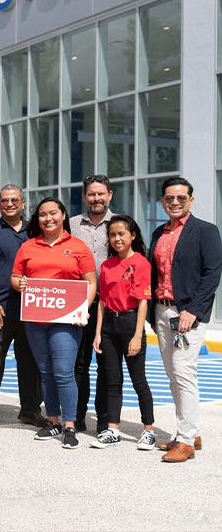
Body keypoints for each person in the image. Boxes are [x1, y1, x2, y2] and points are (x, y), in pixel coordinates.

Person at [11, 197, 96, 449]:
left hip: (67, 320)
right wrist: (21, 284)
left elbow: (91, 283)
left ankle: (70, 426)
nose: (48, 218)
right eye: (42, 214)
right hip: (36, 319)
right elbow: (15, 278)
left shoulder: (78, 246)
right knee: (46, 373)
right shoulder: (28, 246)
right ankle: (53, 421)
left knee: (63, 372)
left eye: (53, 213)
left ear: (63, 215)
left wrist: (83, 309)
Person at [149, 177, 222, 462]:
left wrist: (193, 310)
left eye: (181, 198)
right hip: (162, 311)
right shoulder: (158, 232)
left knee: (183, 372)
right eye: (169, 198)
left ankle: (187, 441)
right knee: (173, 375)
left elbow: (212, 274)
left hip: (188, 313)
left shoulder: (205, 231)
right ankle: (187, 431)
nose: (175, 202)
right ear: (162, 201)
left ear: (191, 200)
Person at [0, 184, 46, 430]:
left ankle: (30, 411)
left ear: (23, 203)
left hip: (31, 309)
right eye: (5, 200)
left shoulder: (35, 232)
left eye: (14, 200)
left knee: (30, 362)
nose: (10, 204)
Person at [91, 215, 155, 450]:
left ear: (132, 236)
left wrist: (138, 335)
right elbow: (101, 303)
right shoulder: (106, 265)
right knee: (112, 381)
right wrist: (98, 334)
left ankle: (148, 430)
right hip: (108, 327)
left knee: (139, 381)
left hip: (130, 324)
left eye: (121, 234)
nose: (116, 238)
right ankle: (113, 429)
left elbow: (142, 303)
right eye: (112, 234)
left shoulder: (140, 263)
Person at [69, 174, 114, 433]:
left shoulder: (120, 224)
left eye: (101, 193)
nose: (96, 198)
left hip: (109, 305)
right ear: (85, 196)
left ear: (110, 195)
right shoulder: (72, 225)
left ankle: (105, 419)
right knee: (79, 363)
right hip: (78, 302)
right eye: (91, 194)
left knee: (106, 365)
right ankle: (77, 415)